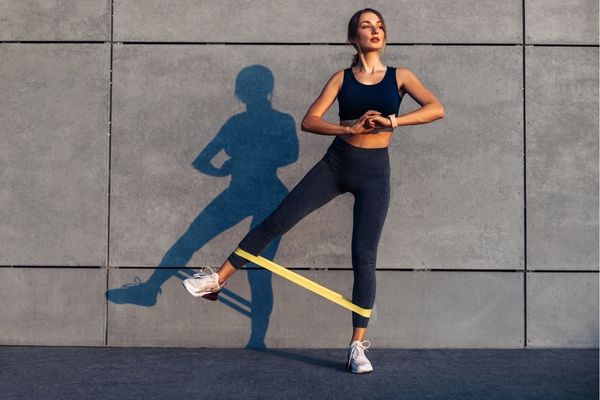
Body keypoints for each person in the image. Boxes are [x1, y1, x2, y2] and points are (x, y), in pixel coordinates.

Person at [182, 8, 445, 373]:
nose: (375, 30)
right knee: (277, 220)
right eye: (366, 26)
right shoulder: (341, 78)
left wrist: (392, 121)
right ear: (352, 38)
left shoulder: (401, 77)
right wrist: (349, 131)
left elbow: (436, 109)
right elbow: (310, 121)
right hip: (336, 165)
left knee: (364, 255)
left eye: (379, 26)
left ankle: (357, 346)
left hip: (374, 173)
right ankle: (217, 280)